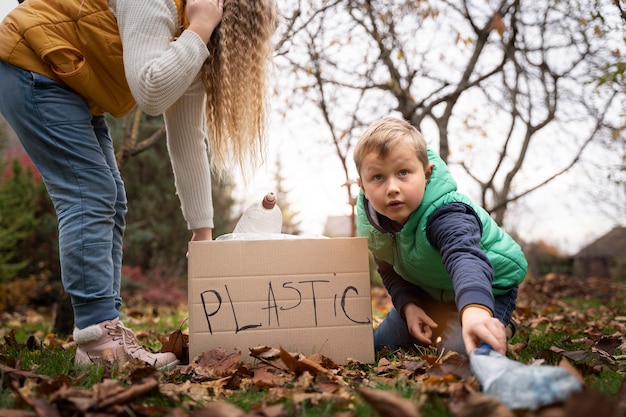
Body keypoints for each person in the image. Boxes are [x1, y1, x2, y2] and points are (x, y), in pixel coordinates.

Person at [0, 0, 277, 369]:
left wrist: (202, 233)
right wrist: (200, 30)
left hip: (71, 81)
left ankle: (105, 329)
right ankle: (96, 340)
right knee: (91, 193)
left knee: (111, 198)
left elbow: (187, 139)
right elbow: (150, 93)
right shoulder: (161, 5)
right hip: (32, 62)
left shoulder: (192, 36)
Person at [353, 117, 527, 356]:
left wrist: (475, 312)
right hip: (431, 290)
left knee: (457, 354)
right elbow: (389, 271)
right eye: (378, 177)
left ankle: (499, 323)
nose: (392, 187)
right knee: (378, 346)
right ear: (362, 186)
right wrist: (409, 306)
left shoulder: (446, 213)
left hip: (488, 286)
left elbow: (465, 259)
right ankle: (444, 318)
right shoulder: (374, 226)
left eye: (403, 172)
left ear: (426, 174)